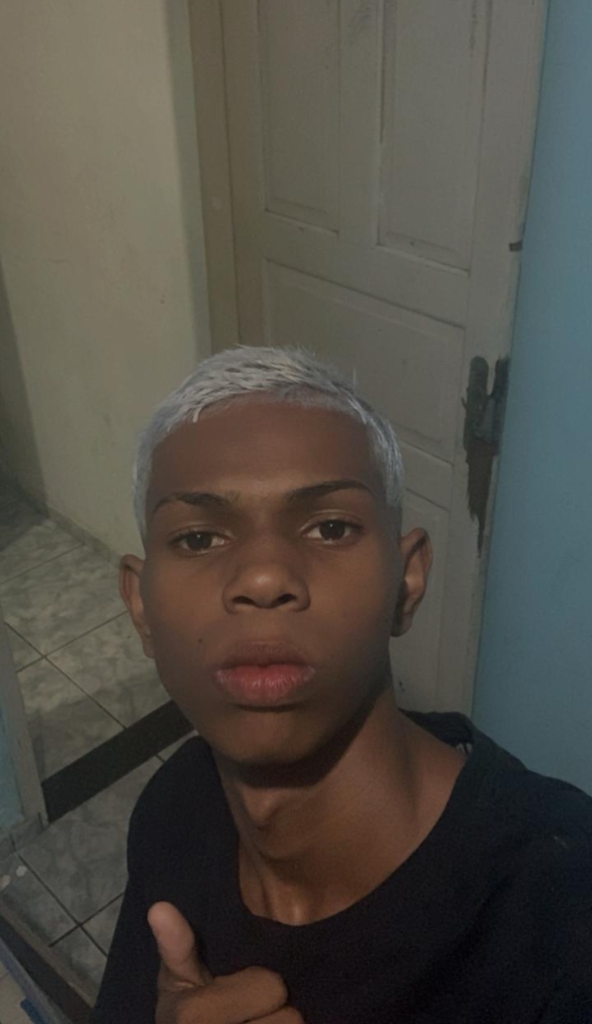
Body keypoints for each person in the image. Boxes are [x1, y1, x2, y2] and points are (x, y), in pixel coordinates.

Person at [92, 346, 592, 1024]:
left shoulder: (562, 906)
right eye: (199, 539)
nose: (262, 578)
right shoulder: (174, 807)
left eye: (331, 528)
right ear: (140, 606)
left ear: (406, 583)